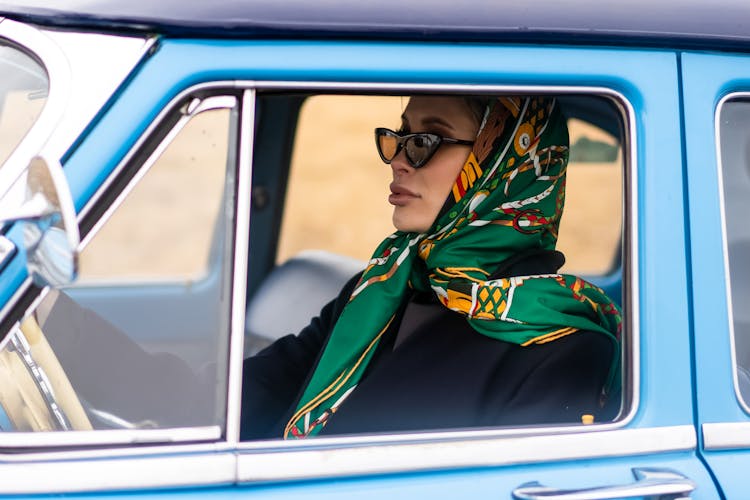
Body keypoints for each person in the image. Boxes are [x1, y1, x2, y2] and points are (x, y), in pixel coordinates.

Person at [240, 95, 622, 440]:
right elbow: (269, 385)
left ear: (504, 164)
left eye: (427, 141)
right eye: (402, 136)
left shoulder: (562, 345)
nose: (399, 159)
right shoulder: (381, 285)